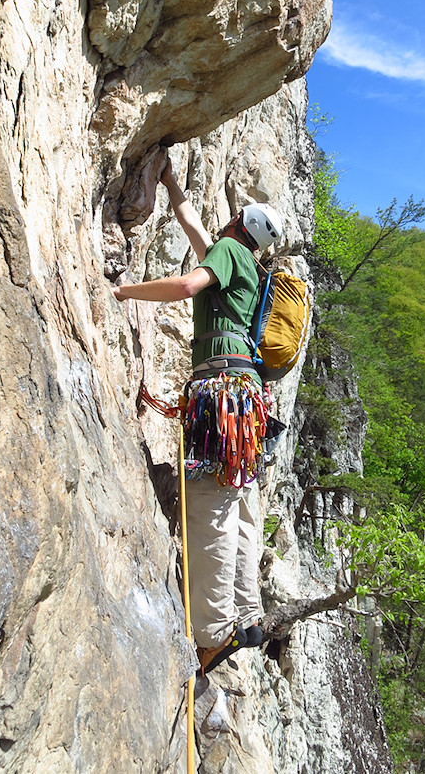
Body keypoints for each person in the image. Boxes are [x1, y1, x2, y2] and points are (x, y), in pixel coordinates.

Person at [112, 158, 283, 675]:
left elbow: (188, 286)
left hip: (221, 395)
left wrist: (124, 292)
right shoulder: (245, 263)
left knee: (211, 504)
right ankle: (248, 616)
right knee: (240, 505)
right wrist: (169, 182)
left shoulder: (229, 253)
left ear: (239, 227)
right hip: (246, 400)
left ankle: (213, 632)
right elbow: (193, 229)